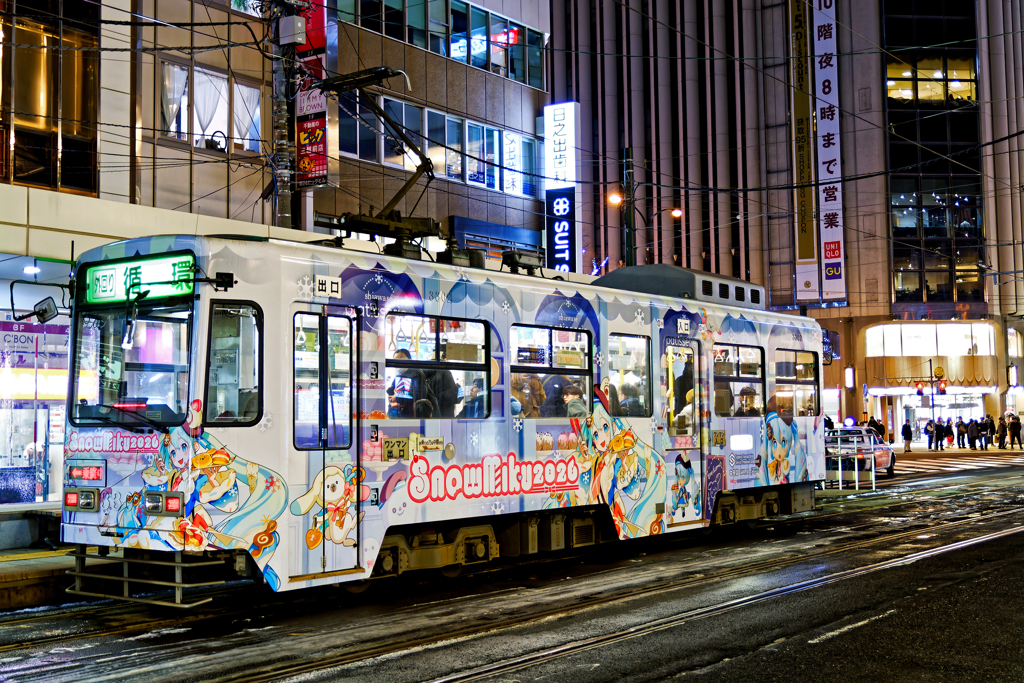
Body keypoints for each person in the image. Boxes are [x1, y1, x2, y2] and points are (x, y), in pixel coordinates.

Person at [387, 349, 436, 418]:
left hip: (415, 414)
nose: (398, 361)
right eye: (395, 359)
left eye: (401, 357)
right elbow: (393, 392)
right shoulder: (398, 377)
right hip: (402, 414)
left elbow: (420, 396)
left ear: (409, 359)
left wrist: (397, 398)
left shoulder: (416, 374)